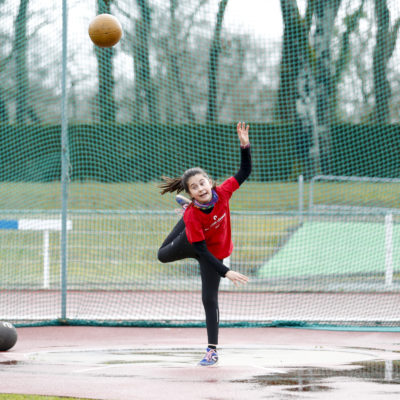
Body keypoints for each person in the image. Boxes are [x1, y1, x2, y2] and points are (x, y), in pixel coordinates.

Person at [157, 121, 252, 366]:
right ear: (190, 193)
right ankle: (185, 216)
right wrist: (226, 271)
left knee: (209, 299)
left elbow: (244, 172)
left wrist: (245, 146)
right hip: (193, 243)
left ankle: (212, 351)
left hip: (214, 251)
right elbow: (199, 250)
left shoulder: (224, 192)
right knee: (161, 255)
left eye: (202, 183)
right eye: (194, 187)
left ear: (209, 182)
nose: (200, 188)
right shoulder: (194, 215)